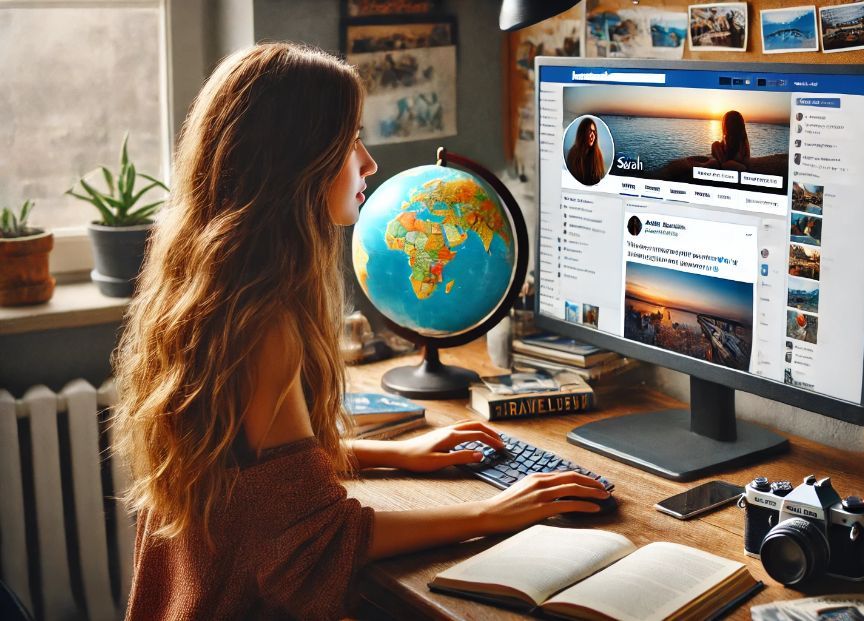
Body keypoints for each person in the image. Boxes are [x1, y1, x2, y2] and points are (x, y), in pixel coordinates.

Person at [112, 43, 610, 620]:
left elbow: (250, 478)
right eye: (350, 140)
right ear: (298, 160)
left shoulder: (207, 286)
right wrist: (495, 513)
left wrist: (394, 454)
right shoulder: (265, 327)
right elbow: (313, 536)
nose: (369, 162)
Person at [566, 117, 606, 185]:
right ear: (583, 132)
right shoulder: (572, 155)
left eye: (594, 132)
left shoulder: (598, 156)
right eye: (590, 131)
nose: (593, 136)